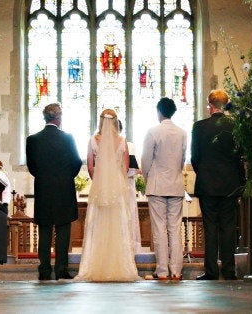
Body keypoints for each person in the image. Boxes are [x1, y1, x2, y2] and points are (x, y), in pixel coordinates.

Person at [74, 109, 140, 282]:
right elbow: (125, 168)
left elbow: (90, 166)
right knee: (117, 226)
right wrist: (116, 180)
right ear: (116, 121)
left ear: (100, 121)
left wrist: (99, 181)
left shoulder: (93, 140)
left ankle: (96, 265)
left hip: (100, 188)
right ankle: (119, 266)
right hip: (117, 189)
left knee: (98, 226)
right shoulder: (122, 140)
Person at [191, 89, 244, 281]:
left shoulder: (199, 127)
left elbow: (195, 157)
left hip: (207, 184)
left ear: (210, 106)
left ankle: (212, 271)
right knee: (229, 227)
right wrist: (240, 181)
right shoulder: (235, 125)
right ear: (226, 104)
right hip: (230, 184)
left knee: (210, 227)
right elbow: (239, 155)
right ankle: (229, 271)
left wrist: (204, 174)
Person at [26, 103, 82, 281]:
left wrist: (44, 178)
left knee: (44, 230)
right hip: (64, 189)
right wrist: (65, 178)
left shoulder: (33, 140)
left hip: (43, 189)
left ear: (45, 118)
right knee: (63, 230)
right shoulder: (68, 139)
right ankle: (61, 269)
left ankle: (44, 270)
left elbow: (32, 166)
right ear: (59, 118)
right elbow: (76, 162)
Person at [141, 97, 187, 280]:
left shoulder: (153, 132)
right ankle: (176, 271)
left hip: (157, 186)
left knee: (159, 229)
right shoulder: (182, 133)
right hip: (175, 185)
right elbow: (183, 159)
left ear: (159, 111)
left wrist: (148, 178)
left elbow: (146, 160)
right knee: (175, 229)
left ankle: (162, 271)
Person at [119, 119, 142, 253]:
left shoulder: (129, 145)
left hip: (126, 186)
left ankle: (128, 247)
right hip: (122, 185)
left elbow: (134, 168)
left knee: (128, 215)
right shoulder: (128, 145)